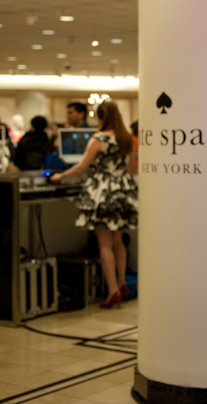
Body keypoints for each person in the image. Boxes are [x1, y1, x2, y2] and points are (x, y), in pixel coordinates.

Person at [50, 101, 138, 309]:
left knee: (104, 242)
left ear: (100, 117)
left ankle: (112, 290)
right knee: (119, 240)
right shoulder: (125, 138)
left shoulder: (98, 139)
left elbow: (81, 167)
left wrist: (61, 175)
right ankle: (123, 283)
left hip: (102, 192)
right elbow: (132, 168)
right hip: (123, 191)